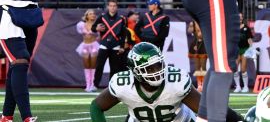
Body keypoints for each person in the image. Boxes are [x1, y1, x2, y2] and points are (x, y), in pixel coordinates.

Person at [90, 42, 244, 122]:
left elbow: (208, 109)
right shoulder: (122, 85)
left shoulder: (175, 83)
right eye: (149, 68)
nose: (156, 71)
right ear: (135, 71)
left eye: (158, 65)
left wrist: (237, 119)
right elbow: (96, 107)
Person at [91, 0, 127, 88]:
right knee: (99, 66)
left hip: (116, 46)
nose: (112, 8)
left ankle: (112, 86)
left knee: (114, 68)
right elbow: (93, 28)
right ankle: (95, 85)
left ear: (117, 7)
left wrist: (122, 46)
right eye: (110, 6)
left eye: (114, 6)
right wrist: (96, 28)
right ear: (108, 7)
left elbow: (123, 34)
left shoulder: (122, 18)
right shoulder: (102, 17)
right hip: (104, 45)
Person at [75, 9, 99, 92]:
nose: (92, 15)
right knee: (86, 65)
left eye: (93, 14)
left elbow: (100, 35)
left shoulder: (97, 25)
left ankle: (92, 85)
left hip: (94, 46)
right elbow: (80, 32)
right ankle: (87, 85)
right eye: (90, 14)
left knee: (93, 65)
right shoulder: (81, 25)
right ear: (87, 16)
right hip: (85, 46)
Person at [233, 13, 253, 93]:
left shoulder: (246, 28)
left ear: (242, 18)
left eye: (241, 17)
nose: (240, 19)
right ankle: (238, 86)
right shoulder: (233, 28)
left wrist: (251, 49)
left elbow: (249, 39)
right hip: (236, 50)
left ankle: (245, 87)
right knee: (235, 68)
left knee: (243, 69)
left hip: (244, 50)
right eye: (238, 17)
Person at [187, 21, 207, 93]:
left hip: (203, 44)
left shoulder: (203, 22)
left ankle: (204, 84)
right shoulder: (193, 22)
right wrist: (191, 26)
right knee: (197, 67)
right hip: (196, 44)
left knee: (203, 66)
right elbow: (189, 31)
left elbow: (203, 34)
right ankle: (199, 85)